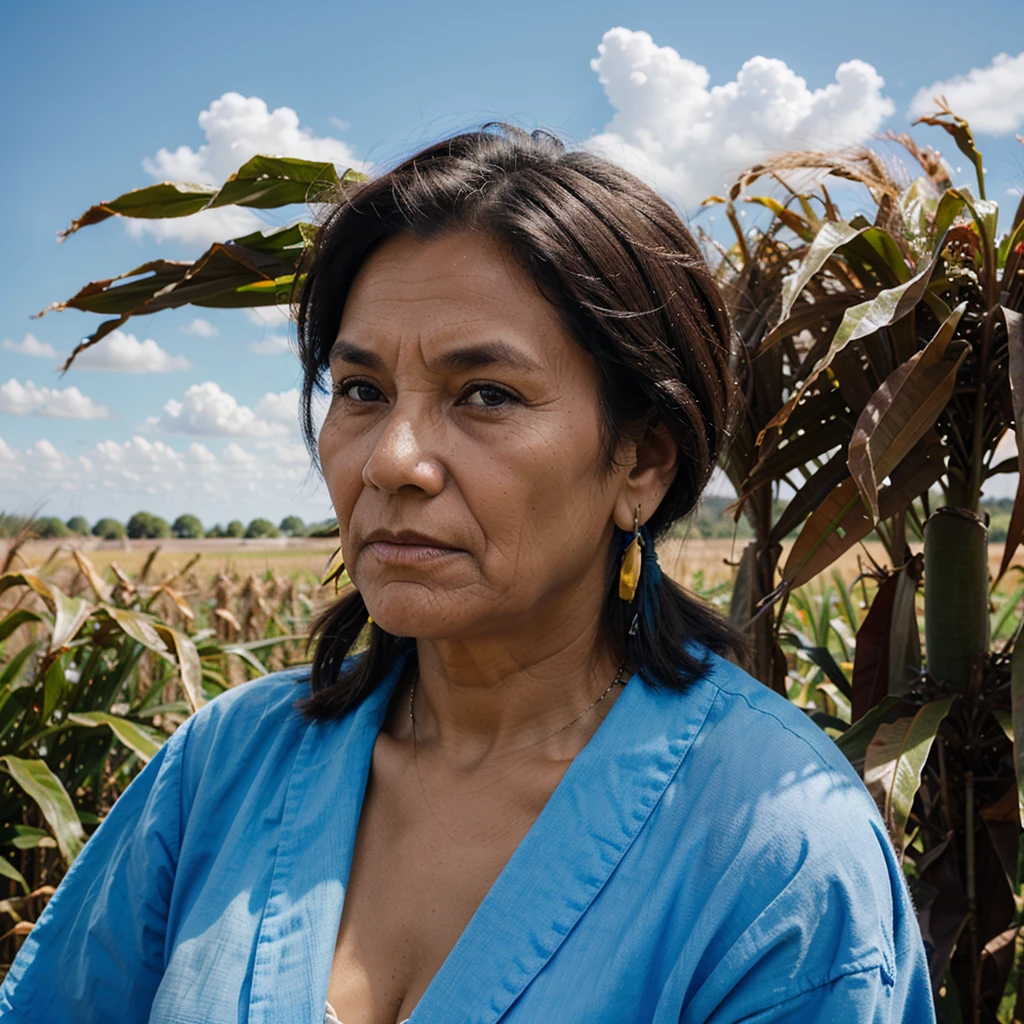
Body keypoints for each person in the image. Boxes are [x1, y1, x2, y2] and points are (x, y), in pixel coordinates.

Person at [0, 125, 934, 1024]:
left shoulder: (774, 854)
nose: (392, 460)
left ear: (642, 462)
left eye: (486, 395)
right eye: (360, 390)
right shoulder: (226, 765)